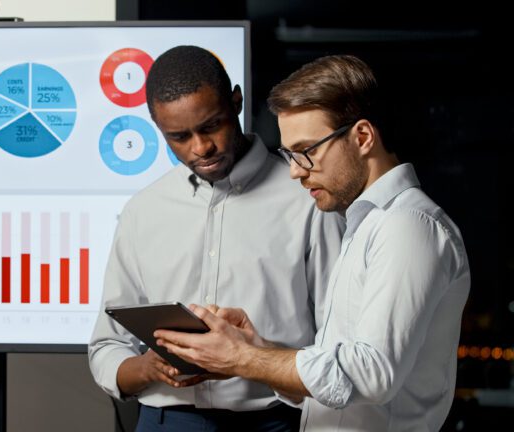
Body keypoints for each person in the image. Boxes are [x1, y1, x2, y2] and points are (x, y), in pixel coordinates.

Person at [155, 55, 471, 431]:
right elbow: (337, 379)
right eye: (289, 154)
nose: (294, 171)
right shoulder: (365, 224)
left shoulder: (408, 226)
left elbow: (370, 375)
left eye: (307, 151)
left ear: (363, 137)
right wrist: (258, 350)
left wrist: (242, 359)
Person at [88, 45, 344, 431]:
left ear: (236, 102)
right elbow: (107, 347)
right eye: (179, 136)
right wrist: (146, 367)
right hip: (164, 419)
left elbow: (337, 337)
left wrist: (257, 359)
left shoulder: (308, 200)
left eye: (211, 126)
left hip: (274, 421)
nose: (200, 148)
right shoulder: (144, 210)